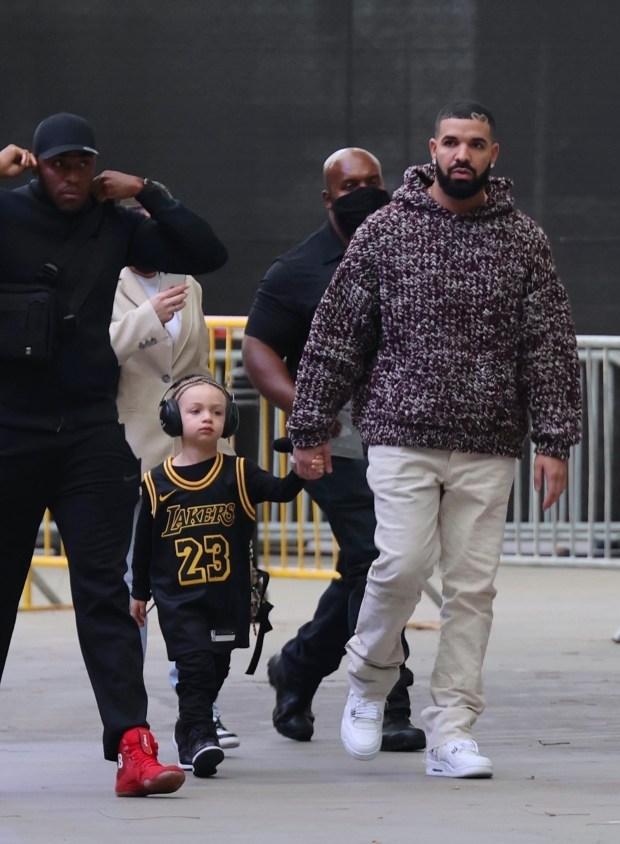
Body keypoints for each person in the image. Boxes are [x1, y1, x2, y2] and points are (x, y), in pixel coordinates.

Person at [287, 101, 582, 779]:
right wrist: (310, 427)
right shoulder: (385, 232)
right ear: (432, 148)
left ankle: (453, 728)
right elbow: (337, 335)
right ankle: (368, 680)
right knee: (399, 567)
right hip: (399, 432)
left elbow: (550, 346)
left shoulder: (523, 240)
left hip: (489, 441)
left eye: (475, 144)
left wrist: (556, 439)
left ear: (493, 154)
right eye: (452, 142)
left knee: (473, 590)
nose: (462, 155)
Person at [0, 113, 228, 796]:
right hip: (10, 428)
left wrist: (148, 191)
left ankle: (134, 744)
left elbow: (205, 250)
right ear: (37, 165)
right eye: (57, 164)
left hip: (92, 433)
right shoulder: (6, 214)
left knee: (105, 591)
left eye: (81, 164)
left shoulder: (116, 221)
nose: (70, 177)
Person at [242, 147, 425, 752]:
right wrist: (308, 413)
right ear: (328, 197)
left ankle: (298, 665)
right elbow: (259, 352)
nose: (365, 192)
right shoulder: (297, 269)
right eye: (351, 185)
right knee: (381, 557)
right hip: (334, 443)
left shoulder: (412, 246)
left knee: (371, 566)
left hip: (406, 436)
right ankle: (390, 700)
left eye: (374, 182)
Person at [129, 375, 323, 776]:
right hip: (178, 599)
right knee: (195, 665)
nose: (207, 419)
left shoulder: (239, 473)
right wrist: (138, 593)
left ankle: (188, 730)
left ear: (229, 419)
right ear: (170, 418)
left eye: (217, 412)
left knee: (216, 667)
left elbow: (283, 491)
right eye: (195, 411)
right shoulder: (156, 483)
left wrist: (301, 467)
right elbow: (144, 545)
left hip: (226, 596)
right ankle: (201, 735)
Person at [111, 251, 239, 750]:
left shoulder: (188, 281)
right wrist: (150, 317)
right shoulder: (108, 279)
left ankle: (199, 708)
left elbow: (196, 364)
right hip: (129, 446)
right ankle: (129, 716)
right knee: (132, 584)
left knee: (201, 579)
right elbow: (103, 350)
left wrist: (215, 434)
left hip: (193, 452)